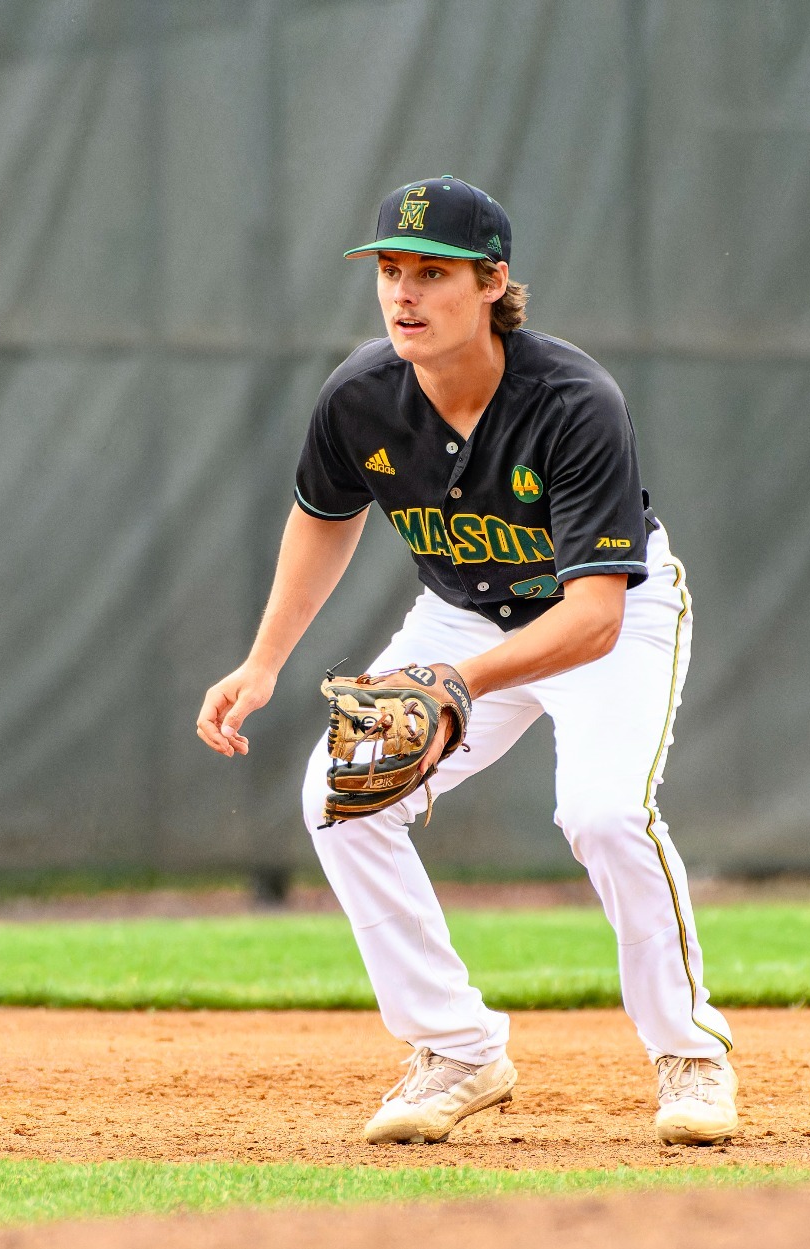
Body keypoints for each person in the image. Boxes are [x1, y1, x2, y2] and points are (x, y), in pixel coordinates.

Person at [197, 177, 738, 1149]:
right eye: (390, 271)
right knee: (340, 792)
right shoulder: (360, 398)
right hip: (460, 616)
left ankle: (688, 1054)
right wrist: (263, 661)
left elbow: (591, 620)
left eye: (432, 273)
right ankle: (454, 1049)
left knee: (603, 814)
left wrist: (456, 686)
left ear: (491, 282)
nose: (403, 294)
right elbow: (324, 520)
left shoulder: (571, 403)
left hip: (606, 617)